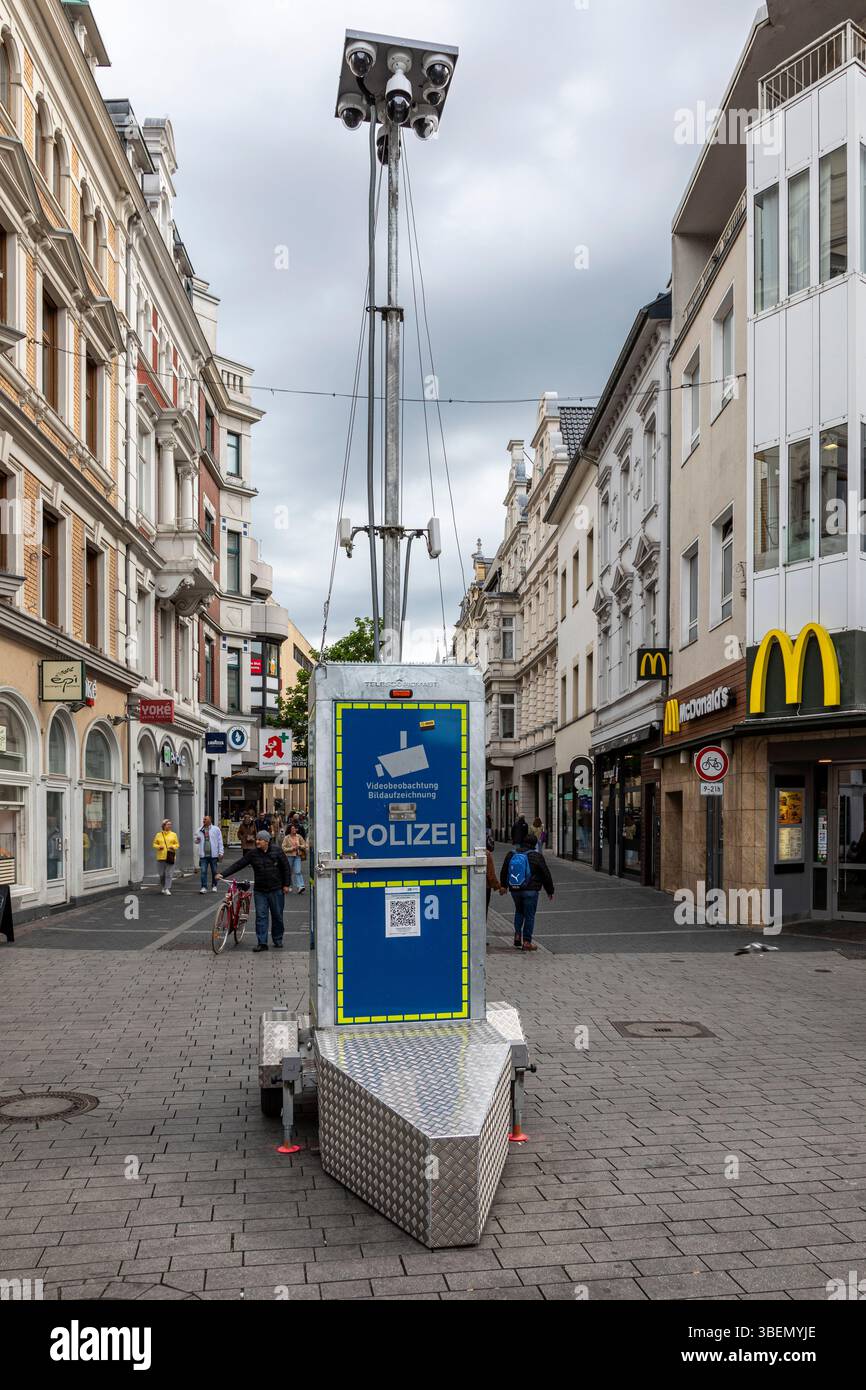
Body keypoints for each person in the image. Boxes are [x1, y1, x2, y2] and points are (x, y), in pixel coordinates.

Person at [216, 829, 290, 952]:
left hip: (276, 889)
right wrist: (223, 874)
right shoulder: (253, 854)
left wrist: (286, 885)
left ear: (266, 841)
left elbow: (286, 868)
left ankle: (277, 939)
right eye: (257, 839)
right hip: (260, 890)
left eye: (260, 839)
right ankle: (262, 943)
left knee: (277, 916)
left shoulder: (277, 851)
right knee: (261, 916)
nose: (257, 841)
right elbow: (239, 864)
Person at [501, 832, 554, 952]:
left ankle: (517, 935)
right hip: (531, 891)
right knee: (529, 915)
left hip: (515, 889)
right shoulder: (536, 856)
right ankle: (526, 942)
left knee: (519, 911)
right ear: (534, 844)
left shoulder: (511, 854)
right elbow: (546, 874)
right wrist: (549, 890)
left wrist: (504, 885)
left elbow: (504, 870)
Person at [195, 815, 224, 893]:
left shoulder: (216, 829)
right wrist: (196, 840)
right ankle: (204, 887)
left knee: (214, 871)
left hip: (213, 854)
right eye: (203, 819)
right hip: (203, 855)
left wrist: (221, 852)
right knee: (203, 871)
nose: (203, 820)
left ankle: (214, 885)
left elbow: (220, 841)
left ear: (210, 820)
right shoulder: (199, 829)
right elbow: (196, 840)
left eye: (205, 819)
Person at [153, 818, 179, 896]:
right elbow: (154, 844)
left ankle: (167, 888)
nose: (170, 826)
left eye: (170, 824)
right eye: (168, 824)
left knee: (169, 874)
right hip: (161, 857)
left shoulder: (174, 834)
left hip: (170, 856)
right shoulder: (158, 834)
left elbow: (177, 844)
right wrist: (158, 847)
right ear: (164, 825)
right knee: (161, 874)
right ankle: (163, 886)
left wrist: (173, 846)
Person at [282, 821, 307, 893]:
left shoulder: (299, 837)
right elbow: (283, 848)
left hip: (297, 856)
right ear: (290, 830)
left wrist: (299, 846)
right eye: (292, 829)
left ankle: (300, 886)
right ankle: (289, 885)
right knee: (288, 872)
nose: (294, 830)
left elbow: (305, 845)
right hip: (289, 856)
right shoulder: (286, 838)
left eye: (295, 829)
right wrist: (292, 848)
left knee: (298, 871)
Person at [486, 848, 506, 917]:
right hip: (485, 887)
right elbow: (490, 874)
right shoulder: (486, 853)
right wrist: (499, 887)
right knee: (483, 912)